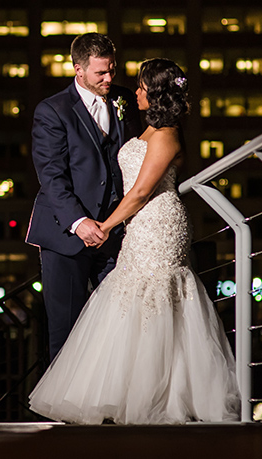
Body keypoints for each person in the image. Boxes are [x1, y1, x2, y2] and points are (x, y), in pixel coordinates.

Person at [29, 58, 240, 424]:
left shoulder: (168, 133)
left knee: (156, 300)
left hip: (157, 223)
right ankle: (120, 395)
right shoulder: (145, 127)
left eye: (142, 87)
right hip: (136, 226)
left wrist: (107, 225)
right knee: (129, 304)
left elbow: (142, 191)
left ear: (156, 95)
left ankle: (159, 396)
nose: (133, 91)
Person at [26, 33, 144, 361]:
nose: (110, 78)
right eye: (100, 73)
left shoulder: (126, 99)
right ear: (78, 69)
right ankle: (62, 411)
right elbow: (51, 174)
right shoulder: (52, 110)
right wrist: (79, 222)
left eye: (112, 70)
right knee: (65, 330)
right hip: (66, 235)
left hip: (116, 232)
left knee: (122, 321)